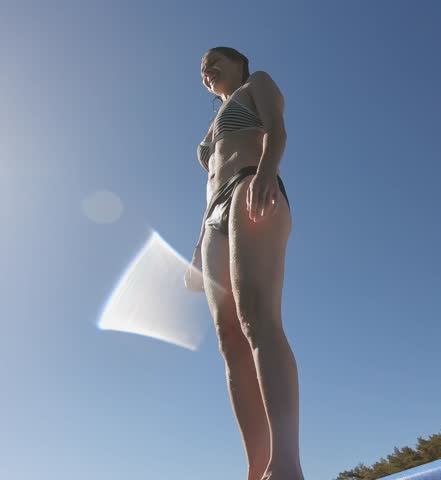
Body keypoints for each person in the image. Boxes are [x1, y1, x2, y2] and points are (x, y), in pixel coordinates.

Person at [184, 46, 303, 480]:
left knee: (257, 319)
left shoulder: (258, 84)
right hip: (213, 216)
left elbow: (277, 129)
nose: (207, 70)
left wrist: (267, 172)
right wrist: (199, 244)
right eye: (201, 69)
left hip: (249, 186)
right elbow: (209, 178)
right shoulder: (212, 121)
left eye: (215, 60)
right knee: (229, 339)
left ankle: (286, 463)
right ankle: (257, 469)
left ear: (240, 62)